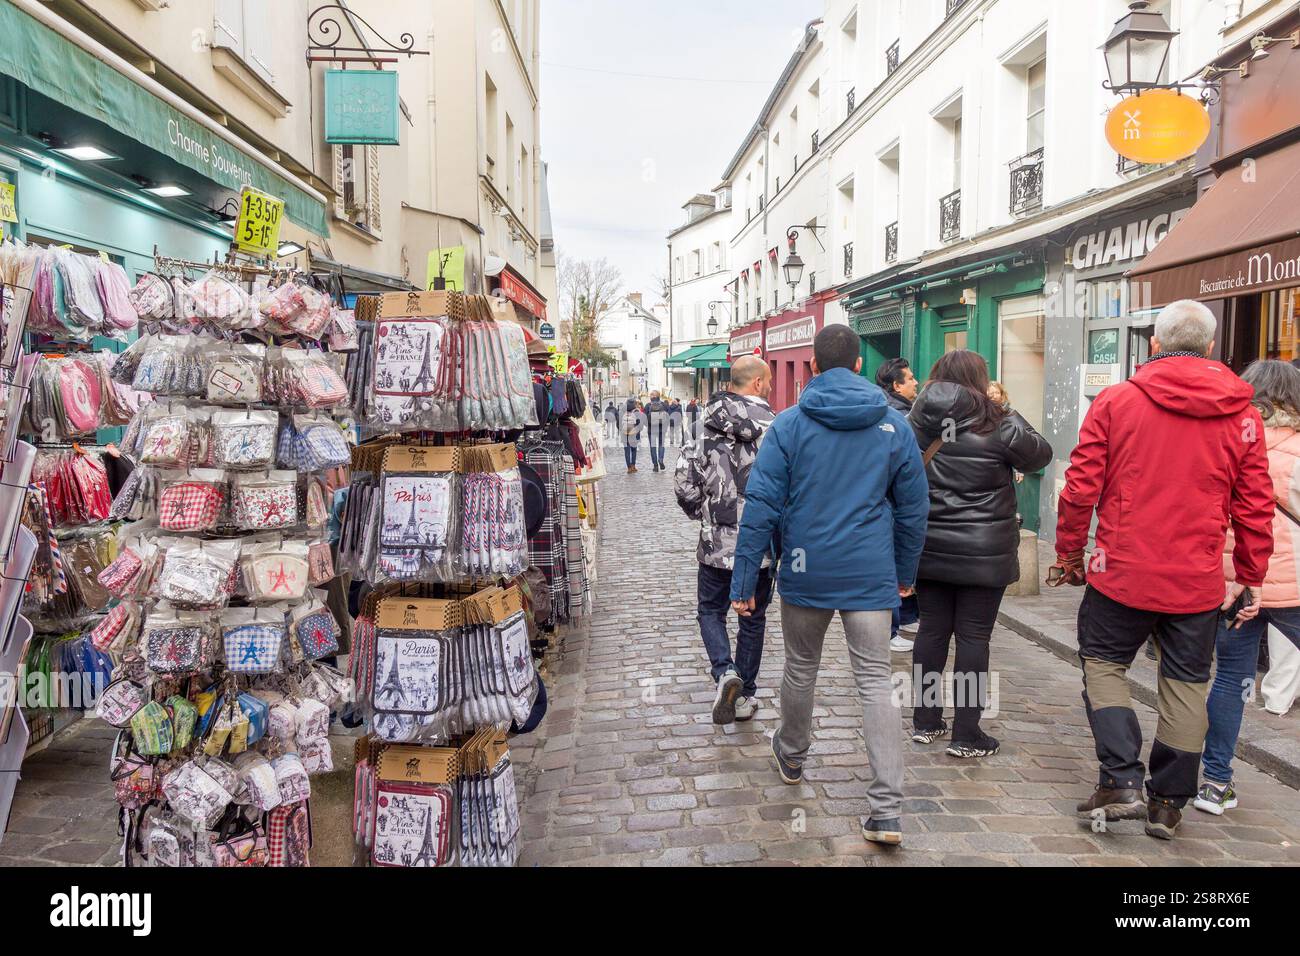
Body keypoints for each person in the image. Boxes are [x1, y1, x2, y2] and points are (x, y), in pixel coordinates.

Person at [1051, 300, 1274, 841]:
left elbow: (1080, 488)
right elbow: (1254, 503)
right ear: (1212, 348)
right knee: (1186, 687)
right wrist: (1249, 573)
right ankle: (1169, 803)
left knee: (1104, 666)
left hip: (1122, 570)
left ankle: (1121, 780)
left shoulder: (1117, 401)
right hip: (1195, 582)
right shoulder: (1243, 417)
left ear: (1154, 343)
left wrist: (1070, 553)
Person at [730, 324, 930, 846]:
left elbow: (761, 507)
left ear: (813, 368)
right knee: (874, 680)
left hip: (807, 569)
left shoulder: (790, 426)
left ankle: (792, 754)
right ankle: (886, 810)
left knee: (801, 667)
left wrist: (745, 578)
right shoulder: (892, 425)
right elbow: (913, 508)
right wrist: (905, 573)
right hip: (869, 571)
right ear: (860, 366)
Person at [908, 350, 1053, 758]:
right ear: (979, 379)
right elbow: (1040, 453)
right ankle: (966, 733)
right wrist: (1005, 407)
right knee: (974, 638)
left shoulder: (915, 423)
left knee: (932, 632)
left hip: (929, 547)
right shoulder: (998, 422)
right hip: (983, 552)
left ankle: (926, 721)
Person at [1197, 361, 1300, 815]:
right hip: (1294, 586)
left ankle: (1215, 783)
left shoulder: (1227, 442)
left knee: (1231, 682)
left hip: (1237, 583)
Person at [674, 356, 776, 724]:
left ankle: (724, 671)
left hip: (715, 544)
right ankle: (745, 694)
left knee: (710, 611)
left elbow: (684, 482)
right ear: (759, 384)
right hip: (759, 546)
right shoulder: (776, 427)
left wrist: (705, 515)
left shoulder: (703, 423)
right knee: (753, 617)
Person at [877, 359, 922, 650]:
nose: (916, 382)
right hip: (892, 505)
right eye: (911, 377)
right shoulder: (897, 417)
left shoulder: (894, 412)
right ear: (897, 385)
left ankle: (903, 618)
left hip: (889, 505)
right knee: (892, 565)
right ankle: (891, 628)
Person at [644, 391, 670, 472]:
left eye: (651, 395)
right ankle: (661, 460)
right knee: (661, 445)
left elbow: (644, 418)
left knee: (653, 447)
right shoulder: (664, 405)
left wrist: (648, 425)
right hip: (662, 429)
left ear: (653, 396)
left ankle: (655, 465)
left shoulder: (648, 405)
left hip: (651, 429)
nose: (650, 396)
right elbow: (667, 417)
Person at [623, 397, 643, 473]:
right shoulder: (636, 412)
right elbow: (639, 423)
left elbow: (618, 422)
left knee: (627, 450)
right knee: (634, 450)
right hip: (634, 433)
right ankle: (633, 466)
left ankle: (629, 467)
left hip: (625, 433)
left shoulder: (622, 412)